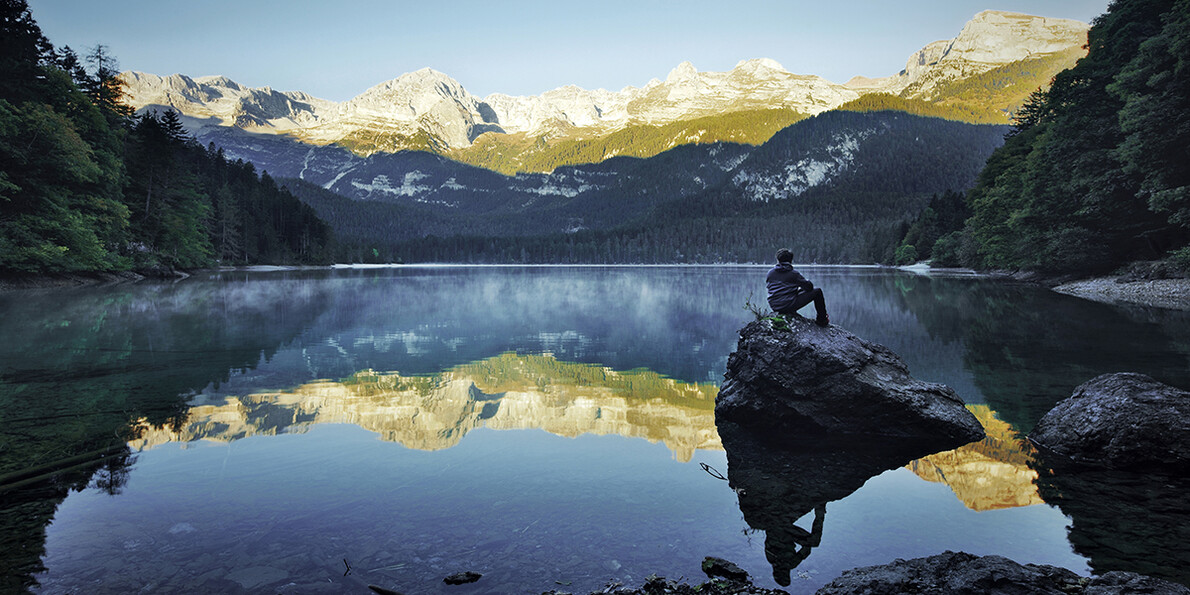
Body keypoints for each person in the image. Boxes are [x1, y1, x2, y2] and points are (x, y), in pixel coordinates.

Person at [766, 248, 829, 327]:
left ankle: (788, 309)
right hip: (787, 305)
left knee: (798, 291)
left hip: (774, 306)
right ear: (791, 260)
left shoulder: (770, 273)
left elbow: (776, 288)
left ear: (778, 260)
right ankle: (822, 320)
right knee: (817, 292)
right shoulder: (793, 274)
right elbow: (809, 287)